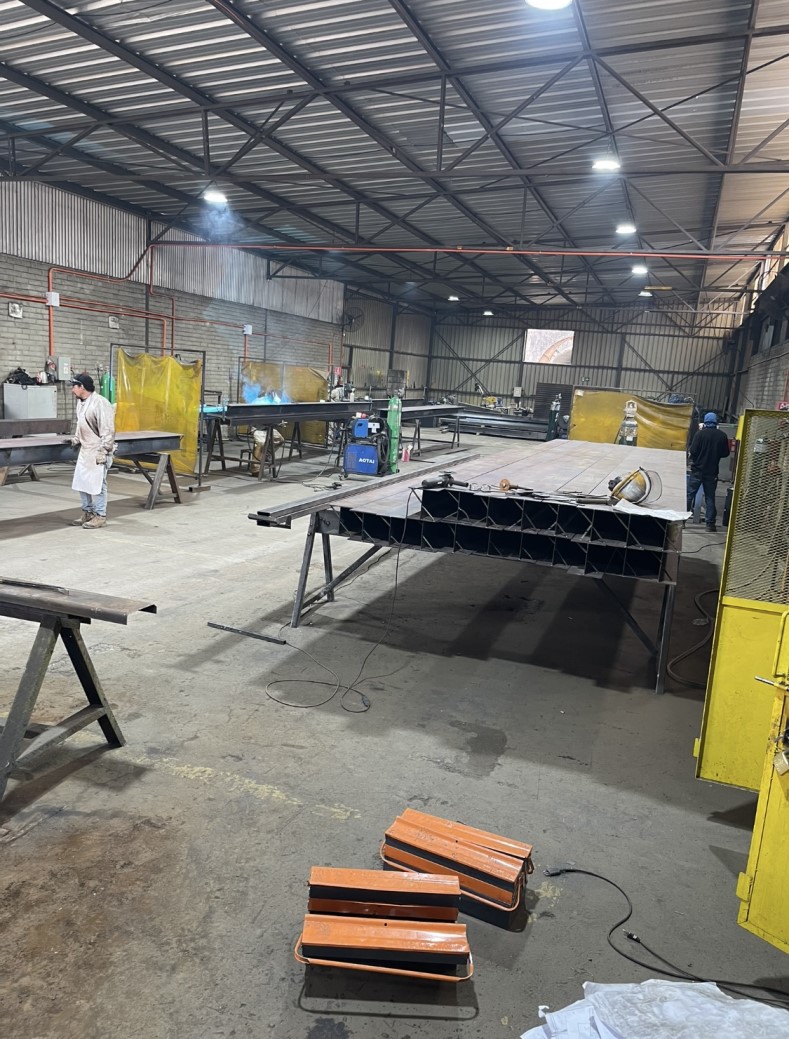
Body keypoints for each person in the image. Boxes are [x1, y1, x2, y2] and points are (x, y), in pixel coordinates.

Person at [67, 372, 116, 529]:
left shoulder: (100, 403)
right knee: (82, 482)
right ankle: (88, 512)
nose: (72, 390)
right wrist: (76, 439)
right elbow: (80, 424)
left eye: (74, 387)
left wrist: (104, 450)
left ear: (82, 387)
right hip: (86, 449)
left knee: (98, 484)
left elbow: (108, 429)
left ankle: (100, 516)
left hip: (98, 450)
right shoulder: (81, 403)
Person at [686, 412, 730, 533]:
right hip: (712, 472)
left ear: (705, 422)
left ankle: (682, 521)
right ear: (716, 422)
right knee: (710, 497)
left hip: (697, 471)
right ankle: (710, 525)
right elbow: (725, 453)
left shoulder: (699, 434)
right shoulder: (722, 436)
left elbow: (693, 451)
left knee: (690, 495)